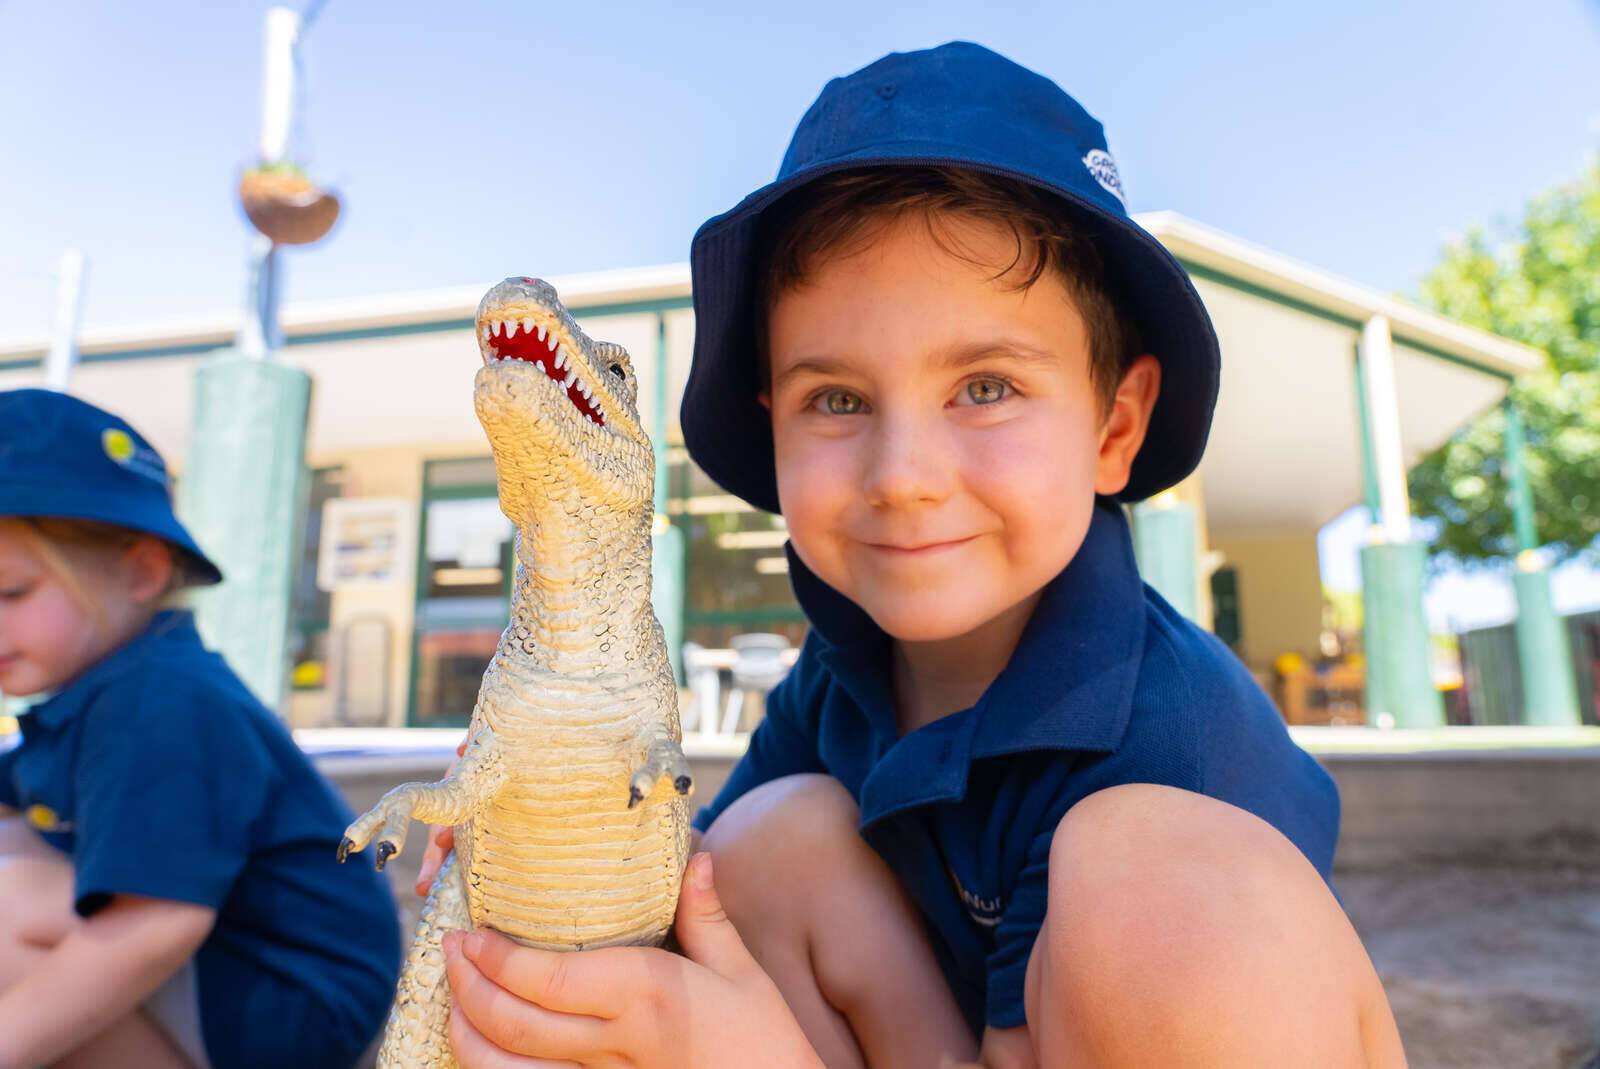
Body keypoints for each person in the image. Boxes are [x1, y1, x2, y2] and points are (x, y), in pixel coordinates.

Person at [434, 42, 1408, 1068]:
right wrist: (553, 806)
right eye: (837, 400)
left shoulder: (1173, 747)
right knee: (759, 846)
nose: (901, 474)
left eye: (985, 386)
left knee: (1148, 883)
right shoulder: (840, 678)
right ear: (774, 429)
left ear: (1114, 428)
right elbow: (685, 904)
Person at [0, 389, 401, 1069]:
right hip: (243, 971)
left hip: (291, 1001)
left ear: (142, 570)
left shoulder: (160, 701)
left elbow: (158, 923)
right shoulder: (99, 689)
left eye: (10, 591)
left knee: (9, 908)